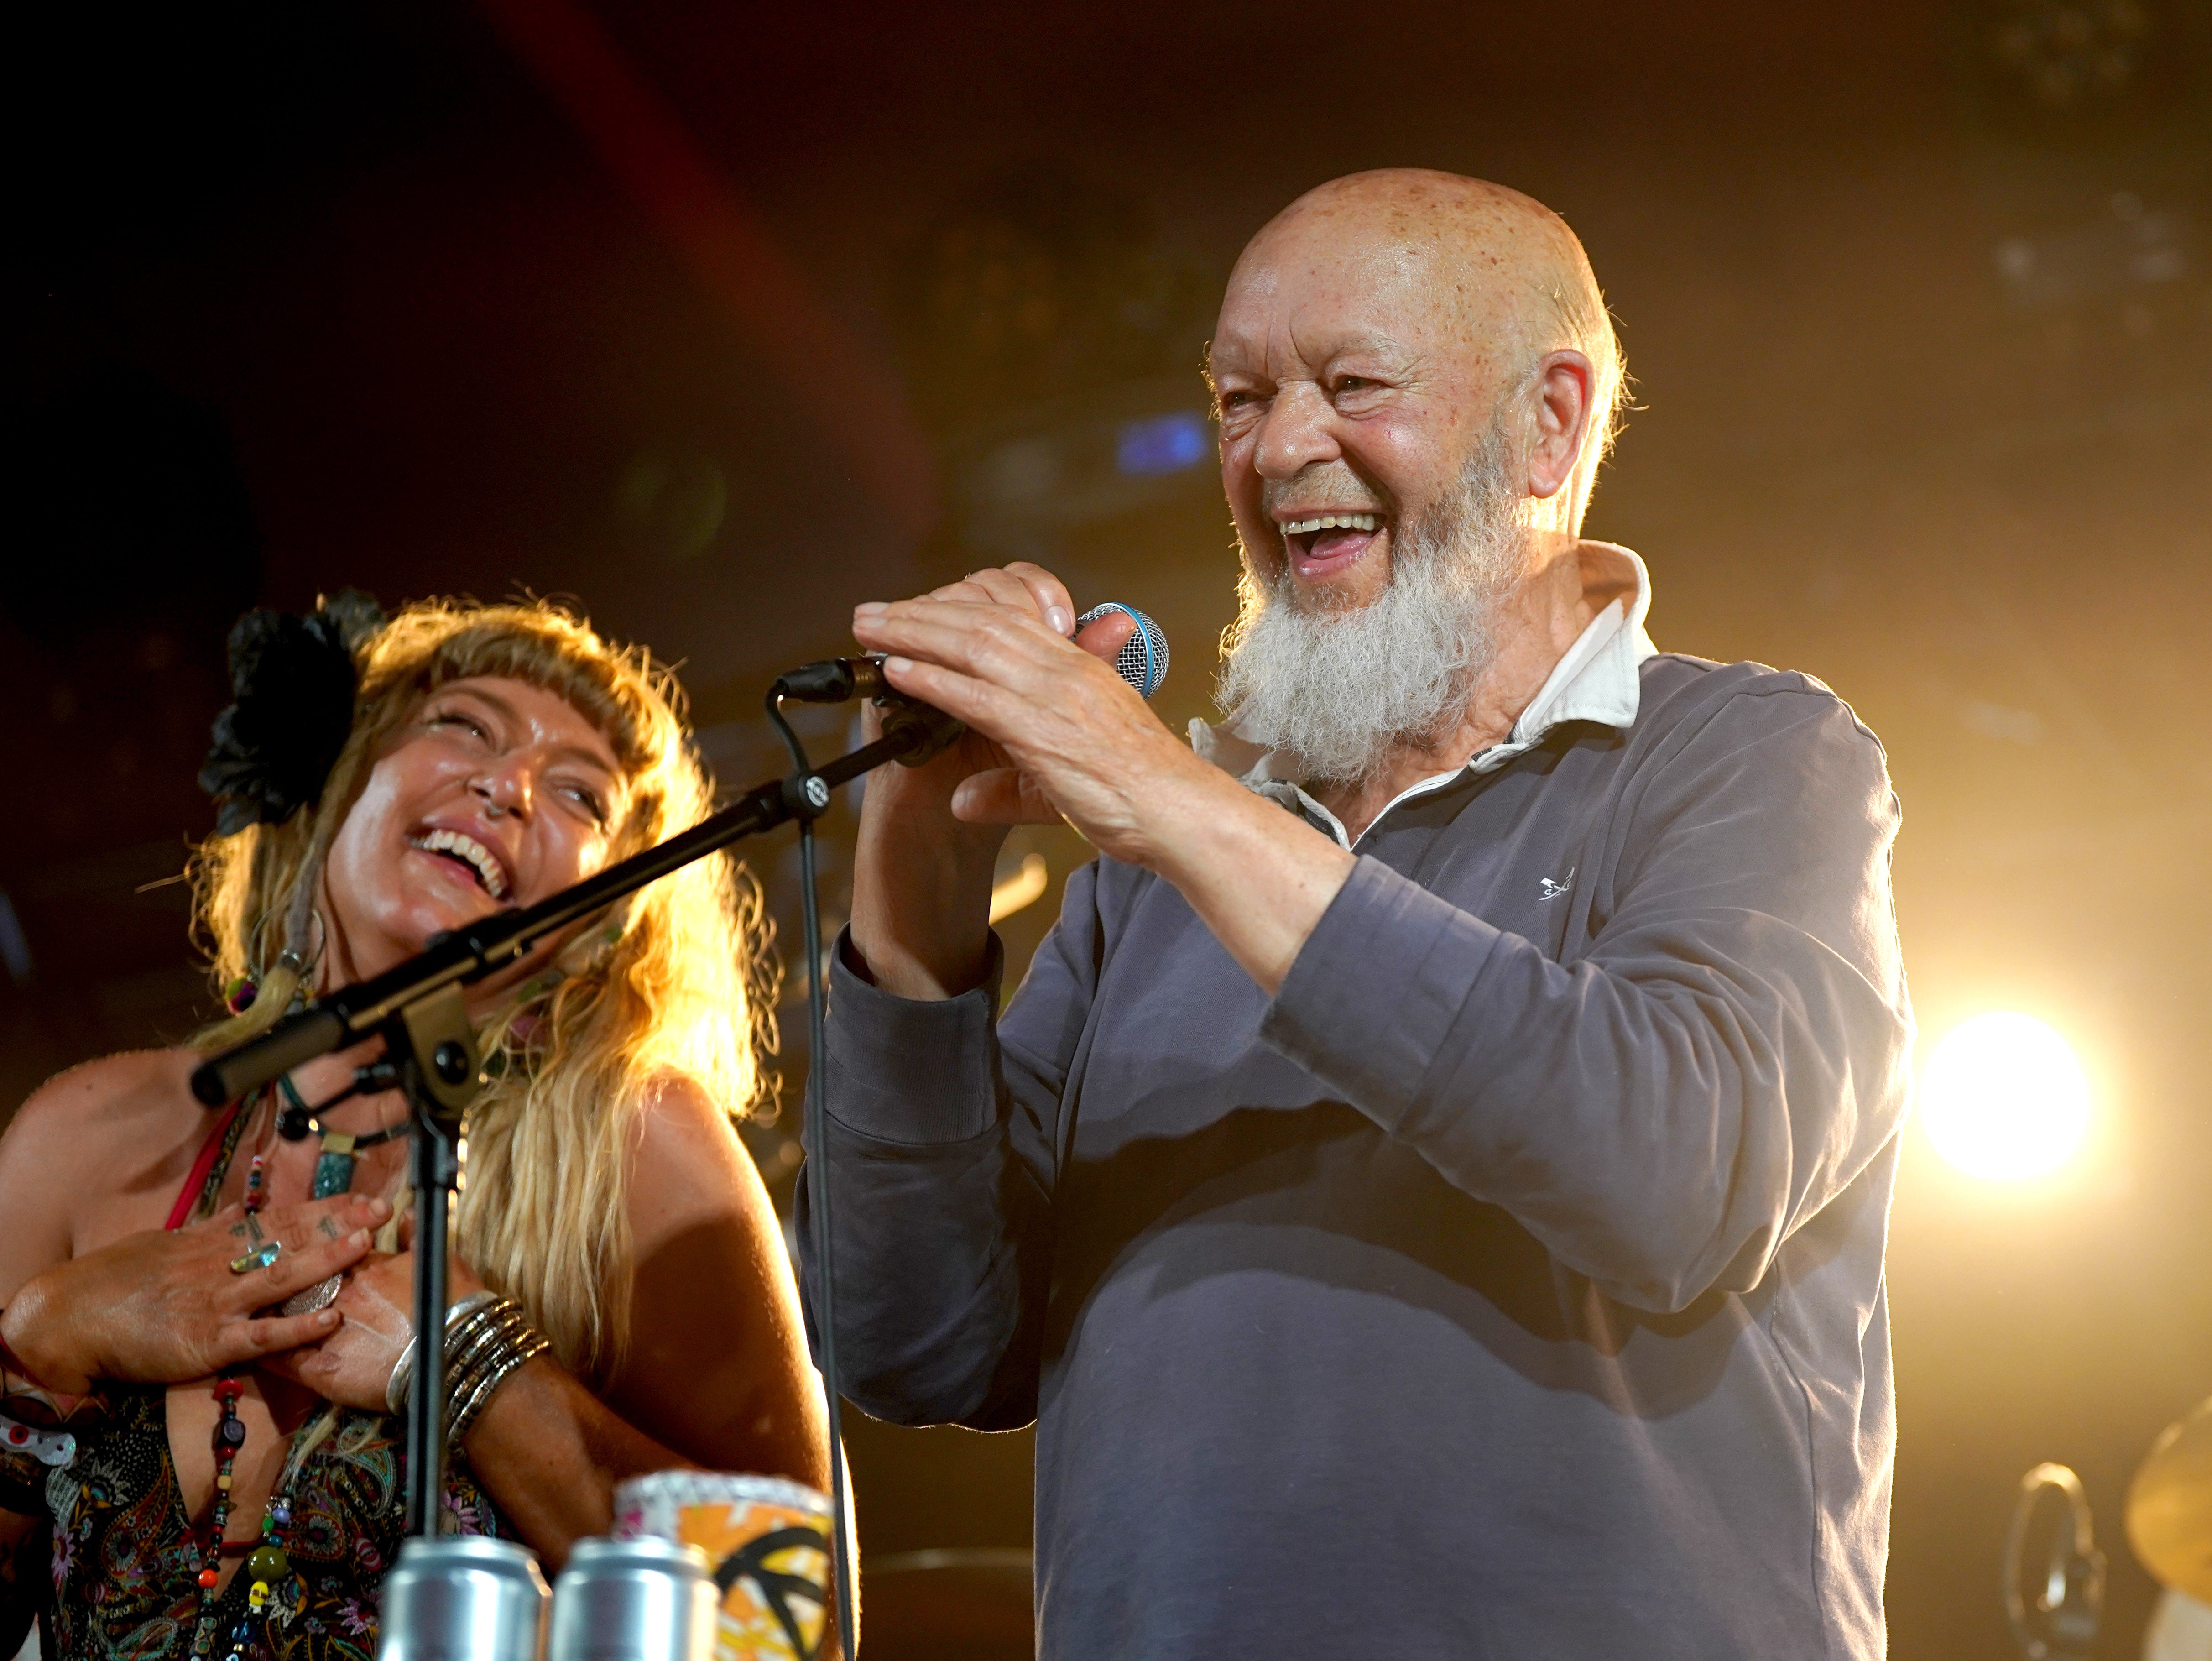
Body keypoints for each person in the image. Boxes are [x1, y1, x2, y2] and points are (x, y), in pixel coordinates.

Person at [803, 169, 1914, 1658]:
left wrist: (1168, 795)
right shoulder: (1153, 877)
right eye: (1240, 398)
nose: (1278, 450)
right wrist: (919, 851)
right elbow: (916, 1341)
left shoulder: (1746, 753)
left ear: (1549, 424)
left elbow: (1676, 1169)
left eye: (1351, 384)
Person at [0, 596, 828, 1660]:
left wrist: (475, 1362)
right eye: (464, 725)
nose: (508, 783)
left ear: (596, 924)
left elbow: (796, 1623)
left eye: (580, 792)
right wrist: (45, 1337)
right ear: (341, 785)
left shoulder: (634, 1141)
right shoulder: (92, 1128)